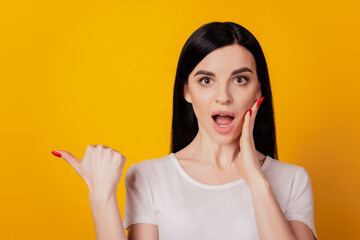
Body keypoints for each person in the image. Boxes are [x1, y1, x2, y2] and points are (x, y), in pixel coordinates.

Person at [52, 21, 318, 240]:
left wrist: (256, 179)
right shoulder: (149, 177)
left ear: (258, 90)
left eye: (240, 80)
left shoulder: (292, 180)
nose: (223, 97)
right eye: (206, 80)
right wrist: (101, 196)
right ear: (186, 91)